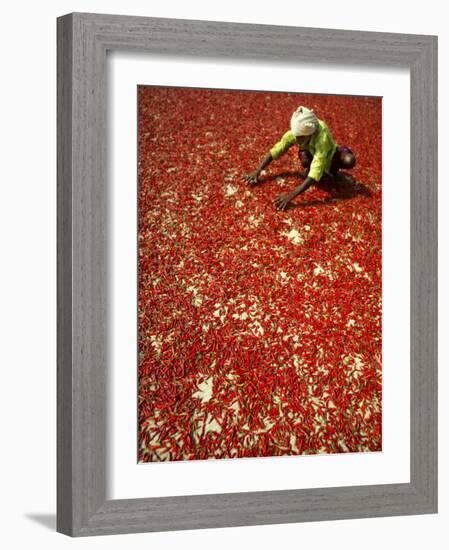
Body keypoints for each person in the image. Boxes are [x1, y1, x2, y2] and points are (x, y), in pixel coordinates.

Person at [242, 106, 356, 210]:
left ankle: (334, 170)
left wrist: (289, 197)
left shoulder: (322, 138)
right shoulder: (298, 132)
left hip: (332, 155)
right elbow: (277, 149)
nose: (297, 140)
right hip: (312, 152)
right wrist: (257, 170)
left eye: (301, 138)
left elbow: (315, 171)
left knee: (349, 160)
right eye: (297, 137)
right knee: (305, 161)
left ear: (310, 134)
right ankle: (324, 172)